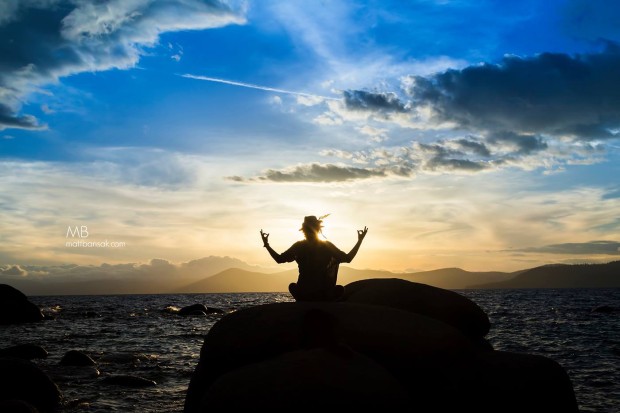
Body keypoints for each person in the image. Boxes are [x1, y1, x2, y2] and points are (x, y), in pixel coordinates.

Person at [260, 215, 368, 302]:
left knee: (292, 286)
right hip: (323, 294)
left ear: (304, 230)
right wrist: (360, 241)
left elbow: (279, 259)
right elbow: (348, 258)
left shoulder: (299, 246)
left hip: (304, 293)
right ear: (317, 229)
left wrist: (267, 245)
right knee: (340, 289)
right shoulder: (326, 246)